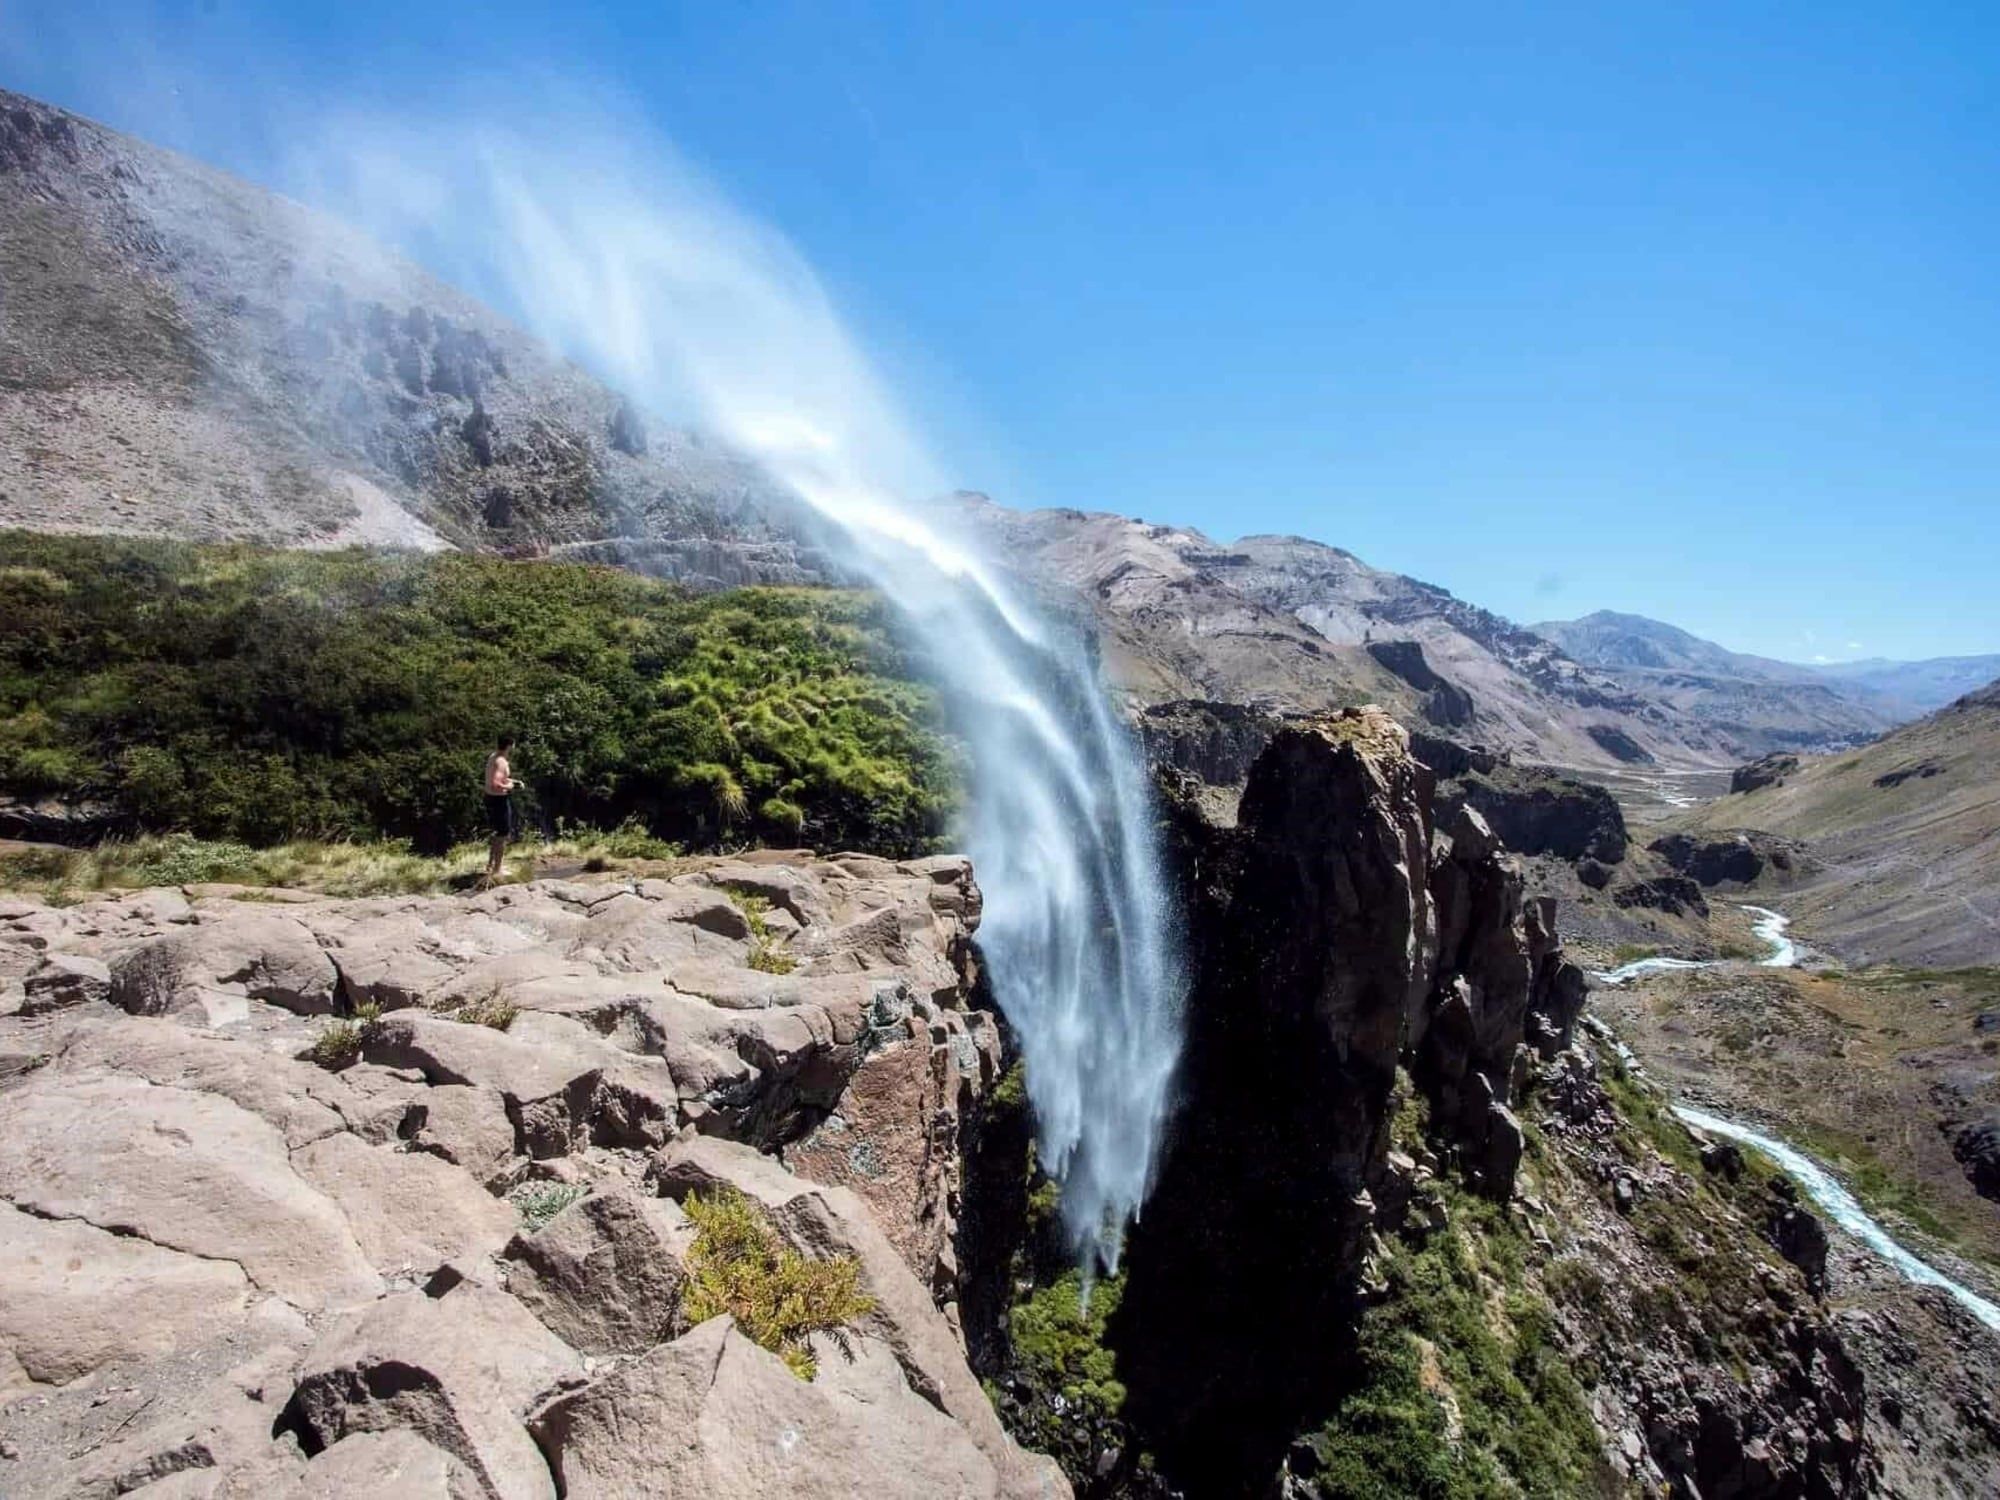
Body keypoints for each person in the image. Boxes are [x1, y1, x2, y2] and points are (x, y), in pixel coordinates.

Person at [483, 734, 518, 881]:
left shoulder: (493, 757)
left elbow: (497, 779)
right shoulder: (501, 762)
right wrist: (510, 786)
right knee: (503, 834)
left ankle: (491, 865)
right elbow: (496, 784)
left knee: (497, 832)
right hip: (499, 800)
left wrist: (512, 781)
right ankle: (498, 869)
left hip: (490, 798)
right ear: (509, 746)